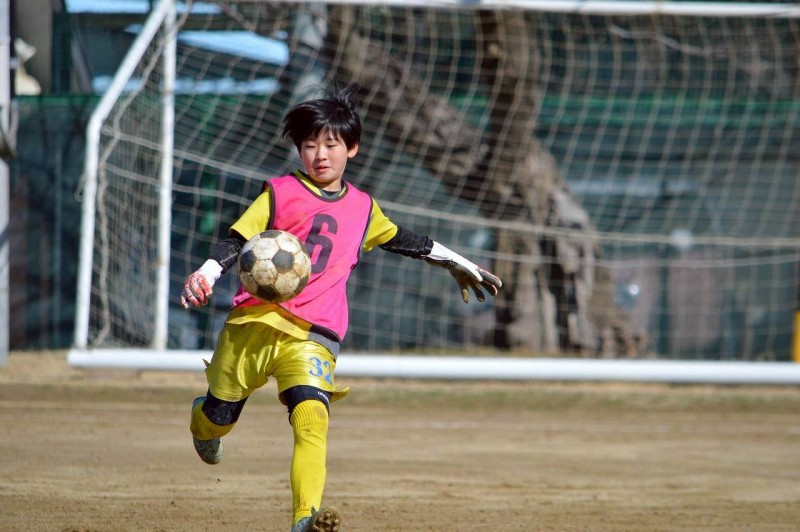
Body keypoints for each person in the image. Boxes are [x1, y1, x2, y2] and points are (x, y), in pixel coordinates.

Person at [180, 82, 502, 532]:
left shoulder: (364, 208)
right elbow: (237, 239)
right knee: (218, 419)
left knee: (312, 416)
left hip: (314, 333)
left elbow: (406, 240)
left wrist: (457, 262)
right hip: (253, 323)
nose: (320, 155)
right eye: (309, 145)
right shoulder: (280, 192)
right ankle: (206, 421)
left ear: (352, 147)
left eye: (331, 144)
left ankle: (305, 519)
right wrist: (207, 272)